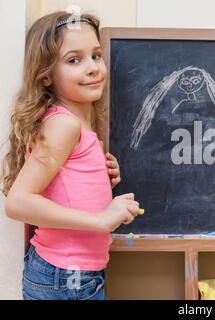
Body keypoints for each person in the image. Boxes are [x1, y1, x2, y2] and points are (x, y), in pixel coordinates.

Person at [1, 11, 141, 300]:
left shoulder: (78, 121)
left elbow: (61, 188)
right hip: (64, 277)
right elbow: (17, 202)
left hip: (73, 275)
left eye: (96, 55)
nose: (92, 68)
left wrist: (100, 184)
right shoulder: (63, 124)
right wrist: (102, 219)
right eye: (74, 60)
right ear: (47, 75)